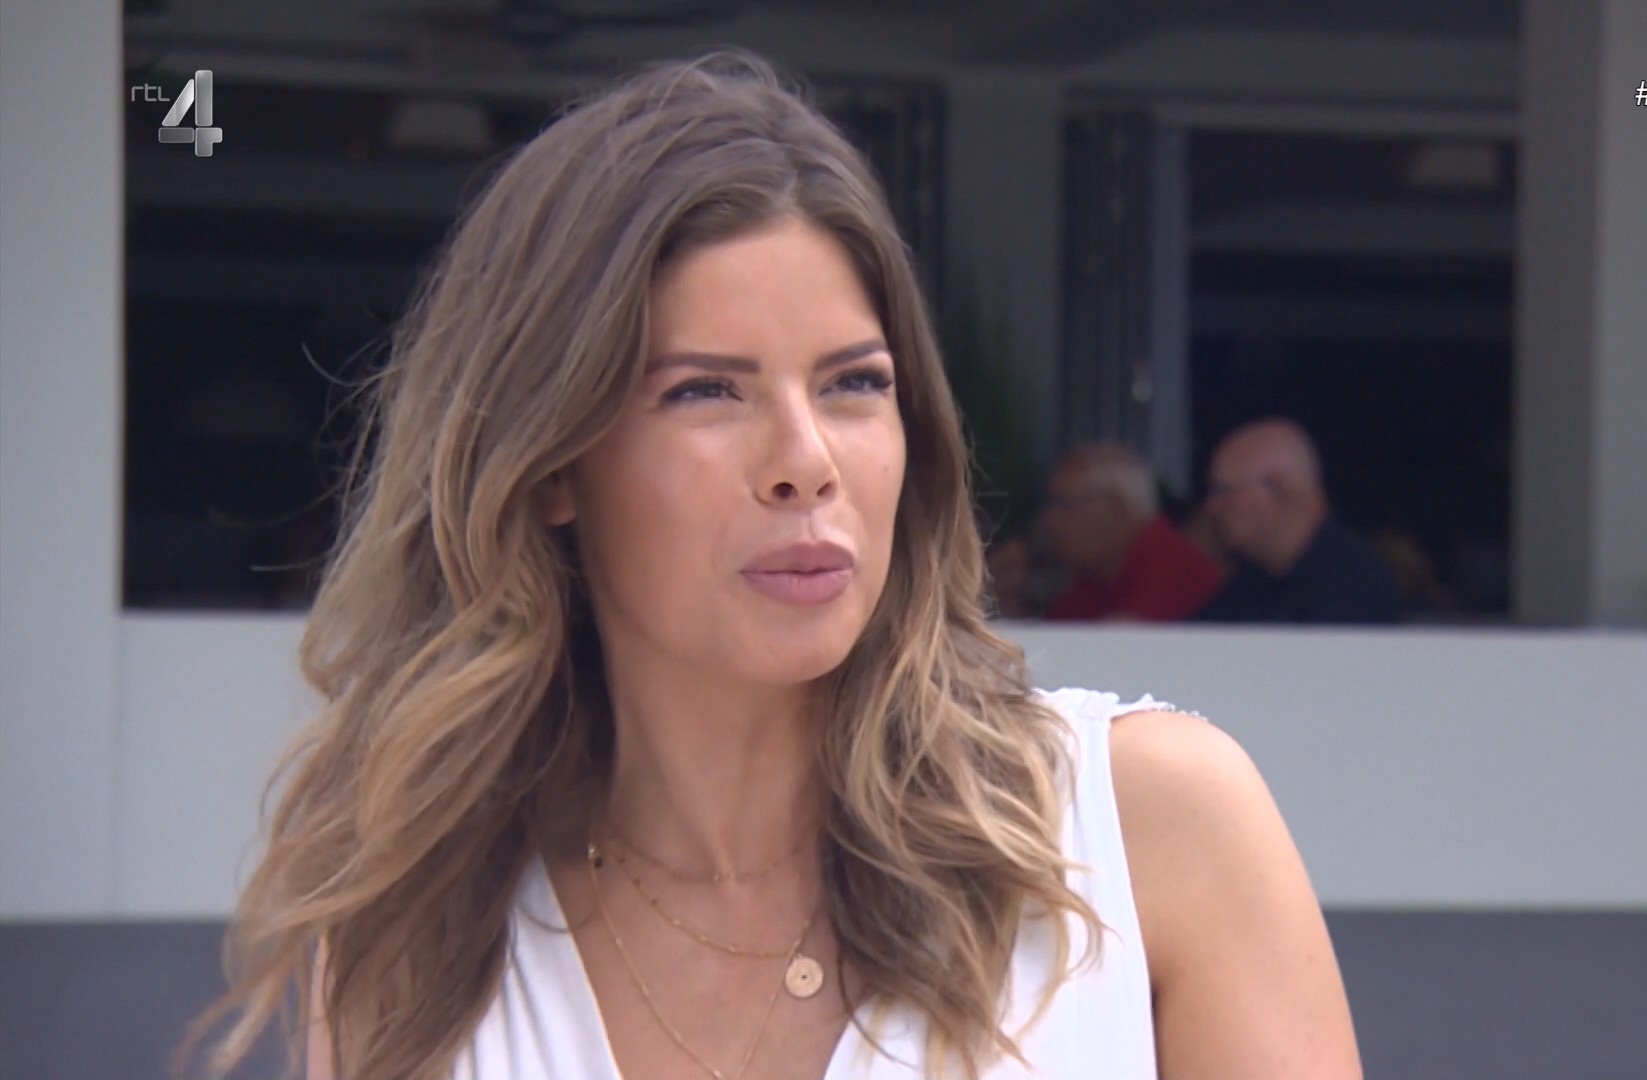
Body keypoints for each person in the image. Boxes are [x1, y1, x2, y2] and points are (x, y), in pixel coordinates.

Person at [184, 53, 1361, 1080]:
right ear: (549, 465)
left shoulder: (1145, 832)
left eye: (854, 384)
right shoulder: (420, 939)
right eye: (707, 390)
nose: (806, 462)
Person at [1192, 419, 1400, 625]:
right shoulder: (1251, 584)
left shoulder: (1355, 581)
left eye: (1224, 491)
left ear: (1277, 488)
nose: (1211, 507)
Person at [1038, 443, 1225, 622]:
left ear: (1116, 509)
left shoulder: (1173, 572)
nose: (1050, 519)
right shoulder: (1094, 578)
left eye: (1065, 505)